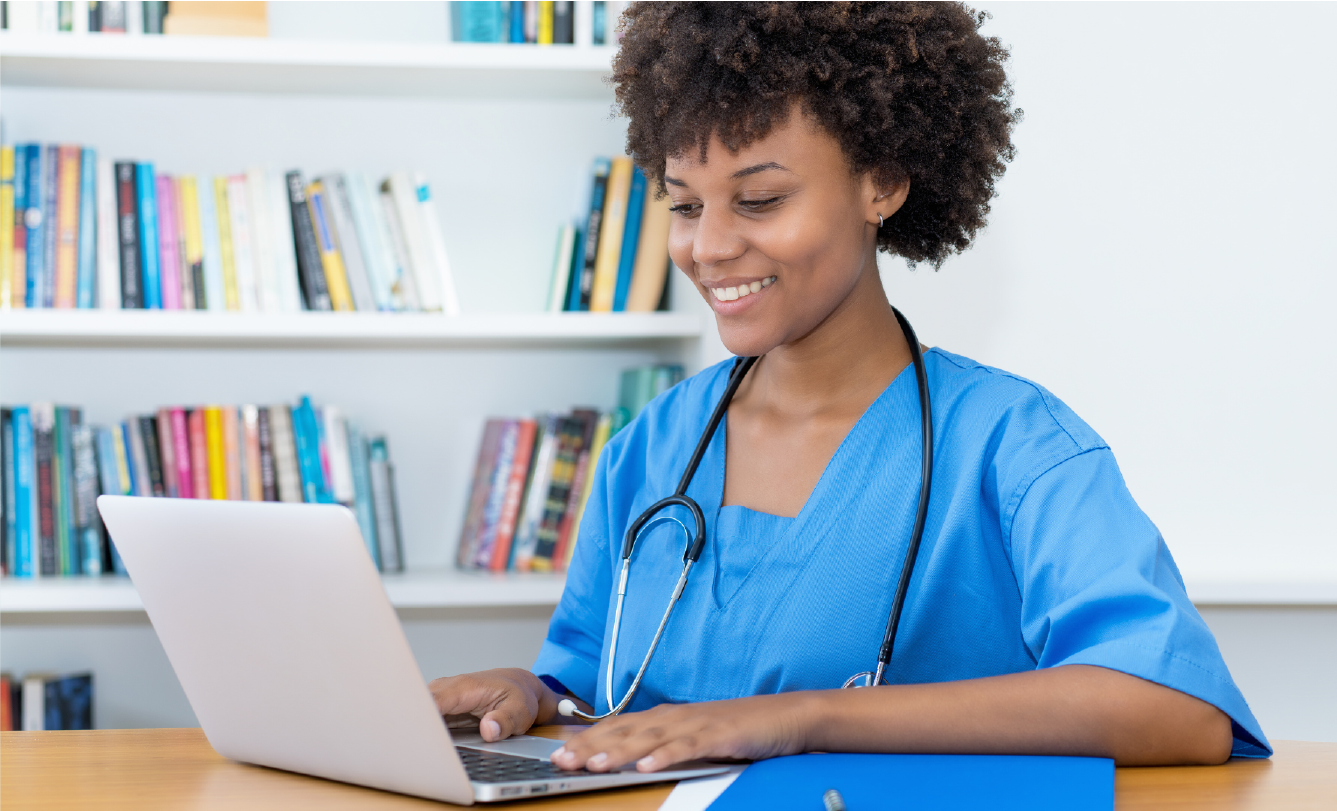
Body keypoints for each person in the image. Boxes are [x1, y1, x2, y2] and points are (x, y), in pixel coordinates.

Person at [430, 1, 1270, 772]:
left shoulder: (1015, 446)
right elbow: (602, 693)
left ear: (883, 183)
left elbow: (1176, 709)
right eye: (685, 205)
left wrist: (798, 717)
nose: (709, 246)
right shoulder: (651, 450)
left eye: (758, 199)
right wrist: (538, 695)